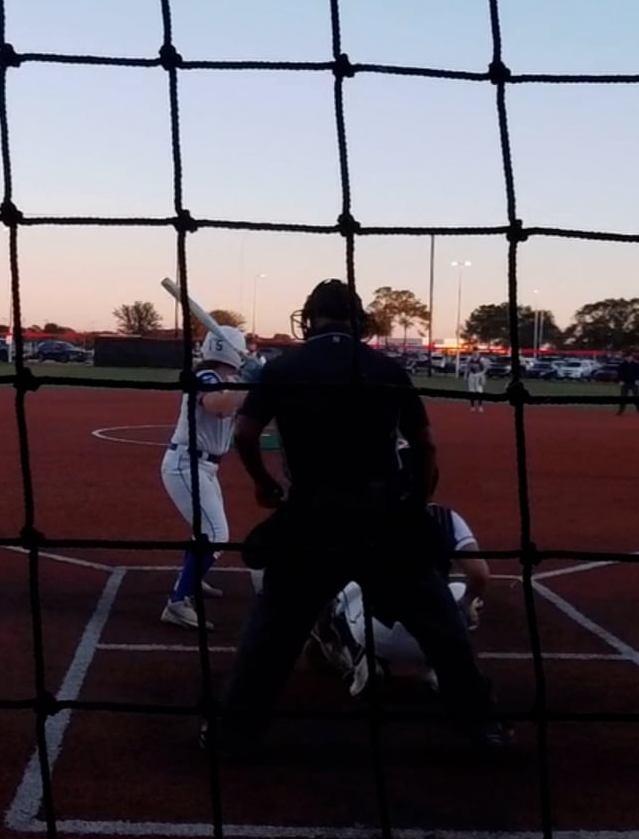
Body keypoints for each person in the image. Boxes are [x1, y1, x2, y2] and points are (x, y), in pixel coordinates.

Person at [211, 278, 507, 756]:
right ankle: (483, 725)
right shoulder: (386, 367)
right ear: (359, 321)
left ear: (309, 319)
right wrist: (413, 504)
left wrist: (264, 484)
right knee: (442, 627)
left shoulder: (284, 368)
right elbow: (426, 445)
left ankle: (234, 733)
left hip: (311, 517)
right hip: (382, 518)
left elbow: (245, 433)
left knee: (272, 632)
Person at [309, 489, 490, 697]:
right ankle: (442, 669)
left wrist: (321, 628)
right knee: (460, 593)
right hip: (436, 630)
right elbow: (480, 574)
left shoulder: (361, 514)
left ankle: (360, 660)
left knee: (340, 589)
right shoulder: (446, 517)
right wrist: (466, 607)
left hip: (375, 633)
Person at [158, 325, 249, 631]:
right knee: (215, 534)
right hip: (186, 465)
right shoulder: (206, 377)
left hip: (206, 467)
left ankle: (190, 581)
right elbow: (219, 406)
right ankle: (177, 603)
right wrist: (249, 383)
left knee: (207, 533)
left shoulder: (229, 380)